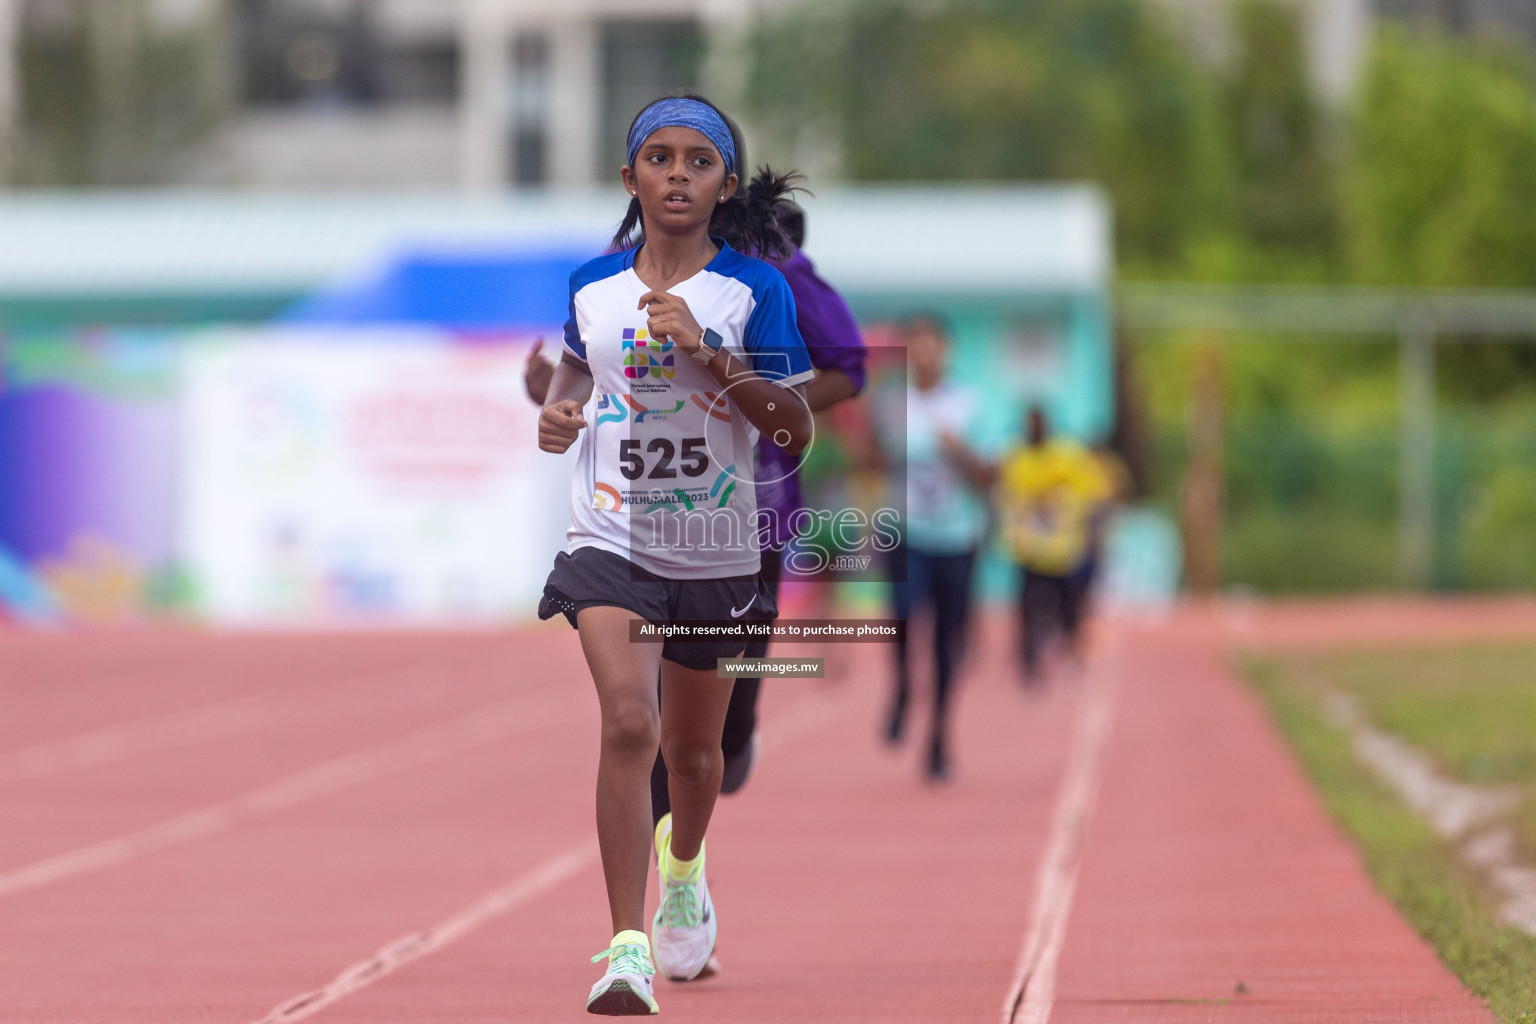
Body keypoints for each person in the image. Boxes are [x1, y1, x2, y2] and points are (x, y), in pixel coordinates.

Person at [534, 95, 813, 1015]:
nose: (679, 175)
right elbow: (580, 374)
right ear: (632, 179)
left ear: (725, 183)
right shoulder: (592, 285)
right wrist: (559, 411)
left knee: (696, 758)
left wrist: (709, 356)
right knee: (628, 723)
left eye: (700, 161)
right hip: (608, 533)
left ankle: (683, 872)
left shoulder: (753, 290)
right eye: (661, 158)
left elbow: (794, 427)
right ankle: (625, 948)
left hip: (713, 542)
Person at [527, 169, 867, 836]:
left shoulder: (770, 274)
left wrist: (750, 409)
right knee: (641, 714)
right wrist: (552, 396)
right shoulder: (615, 276)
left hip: (746, 521)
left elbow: (847, 367)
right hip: (632, 520)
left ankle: (732, 752)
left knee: (718, 740)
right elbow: (602, 383)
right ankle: (674, 886)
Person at [874, 313, 992, 782]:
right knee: (901, 617)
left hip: (956, 537)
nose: (923, 352)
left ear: (946, 349)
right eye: (914, 343)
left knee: (947, 643)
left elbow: (989, 478)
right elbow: (871, 461)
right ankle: (903, 686)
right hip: (905, 531)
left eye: (931, 343)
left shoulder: (970, 404)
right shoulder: (889, 403)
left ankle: (940, 737)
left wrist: (957, 450)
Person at [995, 407, 1111, 685]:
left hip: (1062, 552)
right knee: (1027, 608)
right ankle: (1028, 661)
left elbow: (1093, 497)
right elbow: (1004, 500)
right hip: (1029, 551)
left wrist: (1093, 539)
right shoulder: (1016, 459)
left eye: (1039, 423)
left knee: (1067, 607)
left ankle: (1069, 650)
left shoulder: (1067, 457)